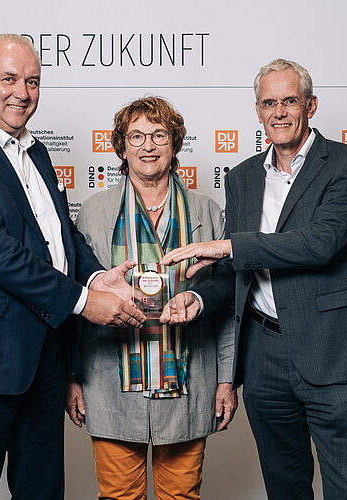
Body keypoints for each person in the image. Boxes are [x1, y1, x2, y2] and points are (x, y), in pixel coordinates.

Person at [0, 33, 144, 500]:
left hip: (44, 356)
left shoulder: (36, 152)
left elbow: (60, 234)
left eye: (32, 81)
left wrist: (96, 276)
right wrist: (85, 301)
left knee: (42, 491)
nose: (22, 93)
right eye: (9, 79)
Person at [160, 59, 347, 499]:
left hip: (333, 350)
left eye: (289, 101)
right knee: (284, 488)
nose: (278, 112)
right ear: (258, 111)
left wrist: (228, 246)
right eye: (269, 103)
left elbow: (320, 244)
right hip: (264, 355)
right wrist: (198, 299)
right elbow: (236, 268)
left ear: (311, 105)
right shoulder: (243, 177)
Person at [65, 96, 236, 500]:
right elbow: (76, 301)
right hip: (110, 382)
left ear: (174, 144)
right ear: (121, 146)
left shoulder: (206, 211)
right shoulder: (94, 212)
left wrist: (227, 379)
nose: (148, 145)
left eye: (159, 135)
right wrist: (70, 376)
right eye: (136, 136)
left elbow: (226, 303)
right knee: (119, 496)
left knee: (181, 496)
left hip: (188, 382)